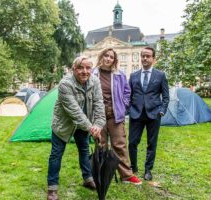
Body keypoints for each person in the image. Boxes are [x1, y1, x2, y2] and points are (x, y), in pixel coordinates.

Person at [47, 56, 106, 200]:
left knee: (84, 150)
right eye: (80, 68)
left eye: (87, 68)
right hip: (63, 124)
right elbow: (75, 112)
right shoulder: (65, 84)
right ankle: (52, 189)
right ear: (73, 69)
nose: (84, 71)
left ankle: (88, 179)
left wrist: (98, 125)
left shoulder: (95, 81)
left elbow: (99, 104)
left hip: (85, 124)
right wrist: (91, 128)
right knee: (56, 154)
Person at [93, 48, 142, 185]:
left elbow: (127, 92)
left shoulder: (119, 75)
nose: (108, 59)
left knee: (119, 145)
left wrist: (123, 105)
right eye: (106, 56)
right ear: (101, 56)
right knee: (100, 145)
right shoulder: (92, 74)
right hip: (98, 116)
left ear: (114, 60)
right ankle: (101, 175)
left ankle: (126, 175)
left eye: (111, 57)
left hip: (115, 115)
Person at [128, 47, 169, 181]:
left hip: (154, 114)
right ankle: (133, 167)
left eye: (148, 56)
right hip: (136, 114)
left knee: (152, 143)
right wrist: (128, 109)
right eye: (143, 56)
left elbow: (166, 96)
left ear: (153, 59)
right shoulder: (133, 75)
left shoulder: (160, 75)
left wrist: (162, 110)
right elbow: (129, 95)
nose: (145, 58)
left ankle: (148, 170)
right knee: (132, 142)